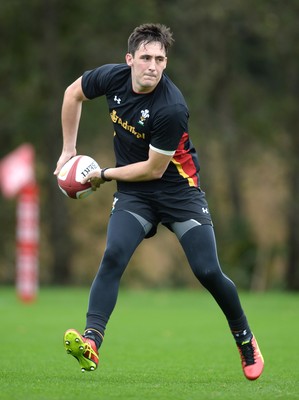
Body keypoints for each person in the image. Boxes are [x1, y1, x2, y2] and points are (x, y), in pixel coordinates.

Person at [54, 23, 264, 380]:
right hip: (136, 196)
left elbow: (153, 169)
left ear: (166, 63)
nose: (153, 65)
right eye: (146, 57)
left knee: (207, 270)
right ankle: (91, 341)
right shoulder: (111, 79)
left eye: (160, 59)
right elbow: (72, 94)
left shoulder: (171, 106)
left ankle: (244, 338)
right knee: (114, 255)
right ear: (130, 59)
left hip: (179, 193)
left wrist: (104, 175)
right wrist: (68, 150)